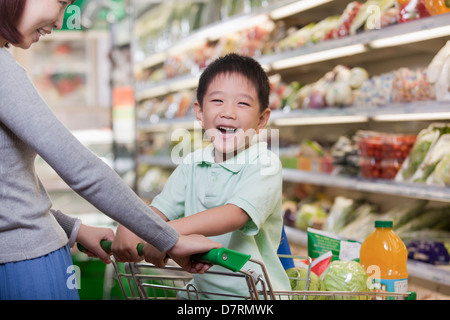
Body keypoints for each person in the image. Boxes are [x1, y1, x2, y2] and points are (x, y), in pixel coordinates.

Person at [0, 0, 220, 300]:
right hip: (26, 268)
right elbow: (81, 168)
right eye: (61, 2)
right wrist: (170, 239)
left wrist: (72, 228)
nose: (62, 19)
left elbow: (8, 188)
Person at [113, 53, 291, 299]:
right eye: (217, 100)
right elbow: (160, 210)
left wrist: (162, 234)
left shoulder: (265, 164)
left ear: (262, 119)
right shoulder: (192, 165)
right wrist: (134, 224)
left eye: (243, 103)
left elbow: (234, 214)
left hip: (256, 295)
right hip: (202, 292)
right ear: (199, 112)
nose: (228, 112)